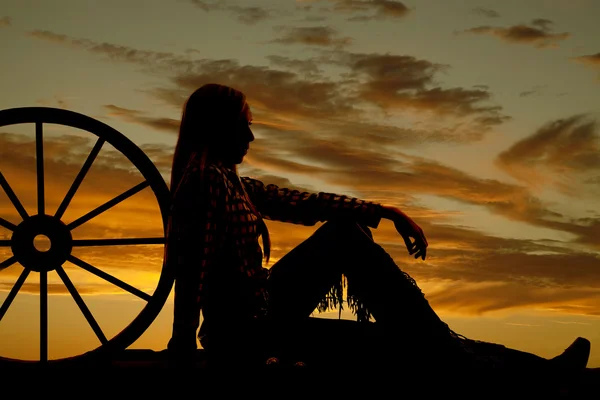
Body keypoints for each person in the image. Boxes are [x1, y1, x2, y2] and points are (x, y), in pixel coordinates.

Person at [165, 83, 590, 378]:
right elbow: (190, 268)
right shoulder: (206, 181)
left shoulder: (229, 180)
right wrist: (181, 349)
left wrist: (384, 210)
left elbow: (302, 203)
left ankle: (533, 367)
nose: (252, 135)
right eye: (244, 124)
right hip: (245, 337)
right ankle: (535, 372)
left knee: (403, 325)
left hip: (257, 323)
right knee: (406, 330)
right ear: (219, 126)